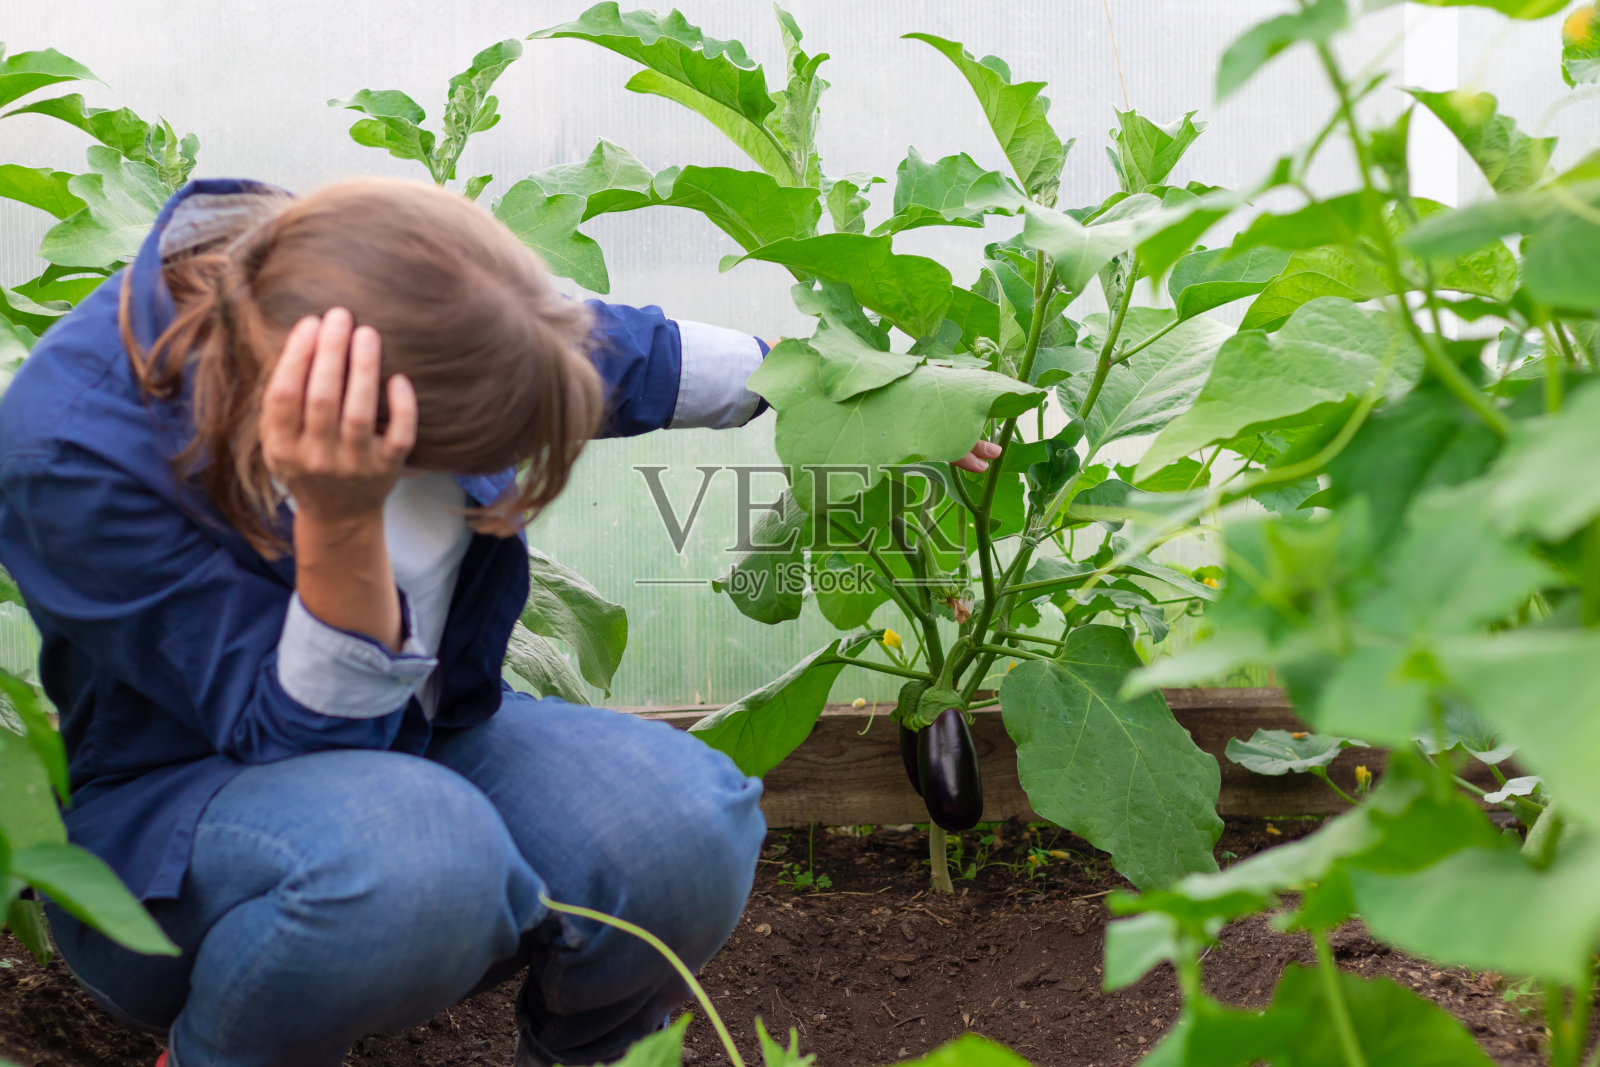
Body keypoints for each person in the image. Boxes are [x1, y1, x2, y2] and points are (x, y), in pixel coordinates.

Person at [0, 176, 1001, 1067]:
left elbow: (596, 348)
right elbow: (303, 742)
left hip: (435, 732)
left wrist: (837, 384)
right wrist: (345, 524)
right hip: (191, 827)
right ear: (365, 420)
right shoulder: (74, 453)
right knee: (421, 864)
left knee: (682, 825)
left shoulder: (350, 278)